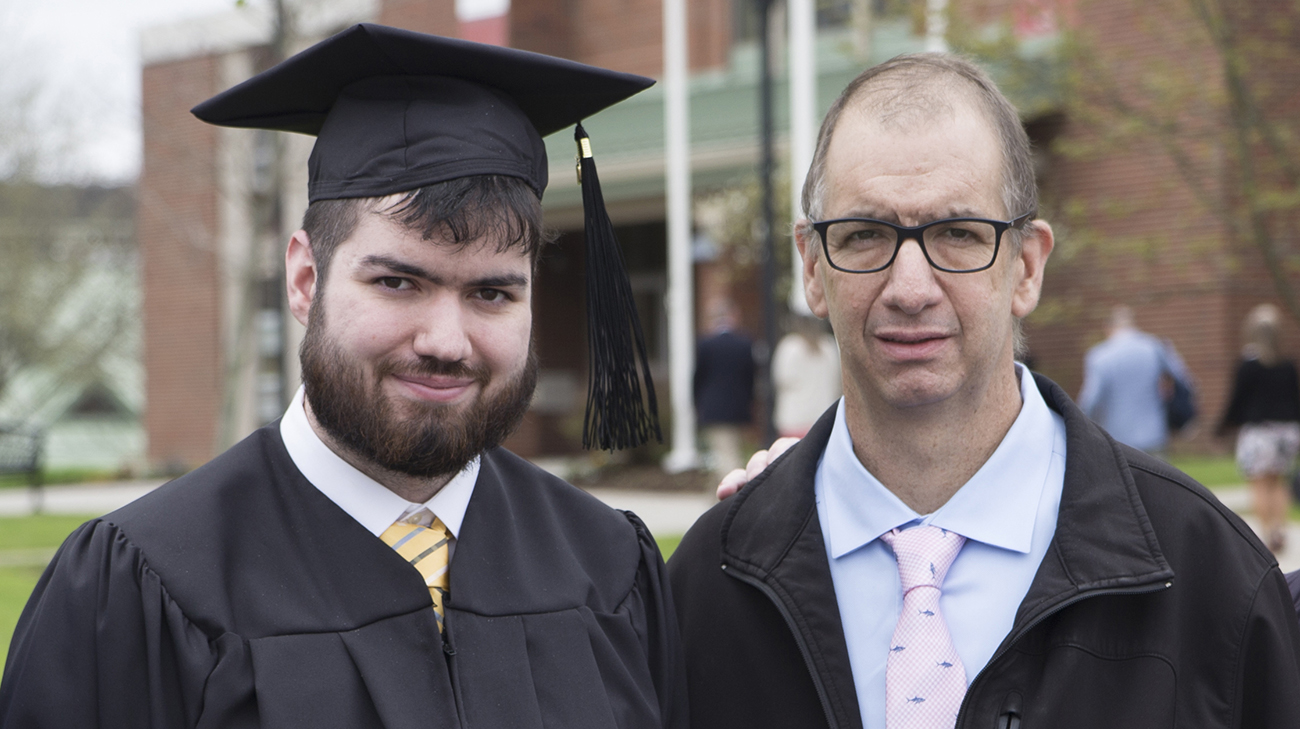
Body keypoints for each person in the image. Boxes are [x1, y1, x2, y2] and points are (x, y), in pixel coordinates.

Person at [0, 25, 686, 728]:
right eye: (397, 281)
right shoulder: (142, 587)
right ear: (305, 279)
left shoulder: (609, 569)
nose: (446, 342)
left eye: (492, 293)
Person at [668, 53, 1300, 729]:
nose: (910, 288)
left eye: (958, 233)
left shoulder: (1209, 578)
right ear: (813, 268)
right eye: (864, 235)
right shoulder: (707, 587)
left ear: (1027, 266)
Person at [1217, 303, 1300, 554]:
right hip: (1287, 433)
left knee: (1260, 483)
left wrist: (1222, 427)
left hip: (1260, 432)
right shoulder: (1287, 365)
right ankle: (1279, 529)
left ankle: (1266, 534)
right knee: (1279, 481)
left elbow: (1237, 400)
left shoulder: (1248, 365)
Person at [1077, 304, 1193, 455]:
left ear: (1107, 327)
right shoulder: (1154, 346)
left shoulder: (1099, 356)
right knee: (1157, 476)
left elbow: (1091, 399)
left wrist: (1081, 427)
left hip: (1117, 437)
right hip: (1154, 433)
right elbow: (1185, 380)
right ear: (1132, 324)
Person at [693, 299, 756, 476]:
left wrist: (697, 404)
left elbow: (698, 378)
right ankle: (714, 499)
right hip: (739, 409)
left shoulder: (706, 344)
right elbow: (750, 378)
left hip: (713, 409)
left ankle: (734, 498)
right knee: (727, 454)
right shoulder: (745, 344)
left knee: (726, 458)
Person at [772, 314, 841, 438]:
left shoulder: (789, 346)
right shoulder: (829, 346)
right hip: (823, 418)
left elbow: (781, 380)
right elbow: (838, 383)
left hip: (794, 420)